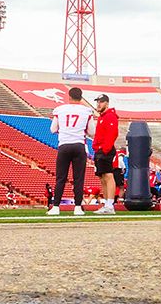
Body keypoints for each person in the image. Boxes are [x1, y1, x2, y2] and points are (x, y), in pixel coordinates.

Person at [47, 87, 94, 216]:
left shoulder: (60, 110)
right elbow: (92, 132)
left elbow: (52, 129)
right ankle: (78, 207)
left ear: (69, 96)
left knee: (60, 177)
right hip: (79, 145)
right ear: (81, 97)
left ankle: (56, 206)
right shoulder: (86, 111)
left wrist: (64, 130)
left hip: (64, 145)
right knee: (78, 178)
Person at [90, 94, 119, 215]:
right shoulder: (102, 117)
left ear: (106, 103)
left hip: (105, 150)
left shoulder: (110, 116)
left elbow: (113, 134)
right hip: (100, 150)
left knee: (108, 176)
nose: (98, 104)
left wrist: (105, 149)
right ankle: (107, 204)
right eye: (97, 102)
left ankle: (110, 205)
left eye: (101, 102)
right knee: (102, 178)